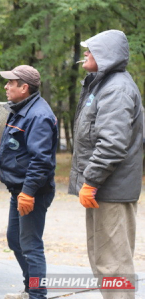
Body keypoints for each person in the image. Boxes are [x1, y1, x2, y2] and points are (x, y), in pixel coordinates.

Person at [69, 29, 143, 298]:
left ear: (108, 56)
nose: (85, 54)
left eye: (91, 50)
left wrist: (91, 181)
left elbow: (112, 144)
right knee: (104, 260)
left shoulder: (116, 89)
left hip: (110, 190)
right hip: (104, 190)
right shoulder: (101, 85)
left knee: (113, 265)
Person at [0, 65, 57, 299]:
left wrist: (28, 192)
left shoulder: (39, 115)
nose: (6, 86)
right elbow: (16, 144)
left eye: (11, 82)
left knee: (30, 246)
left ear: (24, 87)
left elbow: (41, 161)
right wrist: (3, 166)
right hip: (18, 189)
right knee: (15, 240)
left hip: (33, 192)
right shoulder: (22, 107)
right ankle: (30, 287)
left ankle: (37, 294)